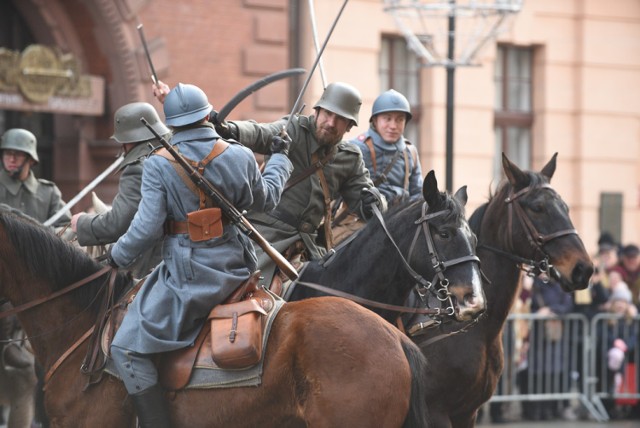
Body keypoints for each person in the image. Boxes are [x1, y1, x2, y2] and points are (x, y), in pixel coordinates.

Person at [108, 83, 293, 428]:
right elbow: (267, 199)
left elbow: (146, 229)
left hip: (186, 277)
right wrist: (280, 157)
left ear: (171, 125)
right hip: (238, 269)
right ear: (208, 115)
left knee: (125, 350)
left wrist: (117, 255)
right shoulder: (239, 155)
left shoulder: (157, 165)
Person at [154, 80, 386, 287]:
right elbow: (260, 133)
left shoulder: (350, 157)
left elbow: (368, 207)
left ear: (349, 126)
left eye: (339, 119)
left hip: (312, 246)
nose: (330, 122)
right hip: (268, 234)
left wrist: (375, 201)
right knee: (241, 287)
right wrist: (228, 129)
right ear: (316, 111)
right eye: (327, 114)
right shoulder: (294, 129)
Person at [71, 102, 170, 278]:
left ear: (127, 140)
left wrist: (82, 223)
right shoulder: (170, 154)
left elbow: (119, 223)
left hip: (154, 263)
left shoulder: (137, 168)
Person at [350, 89, 422, 206]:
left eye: (400, 119)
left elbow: (418, 194)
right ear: (375, 120)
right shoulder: (357, 147)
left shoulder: (410, 152)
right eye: (387, 119)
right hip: (362, 217)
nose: (393, 126)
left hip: (399, 219)